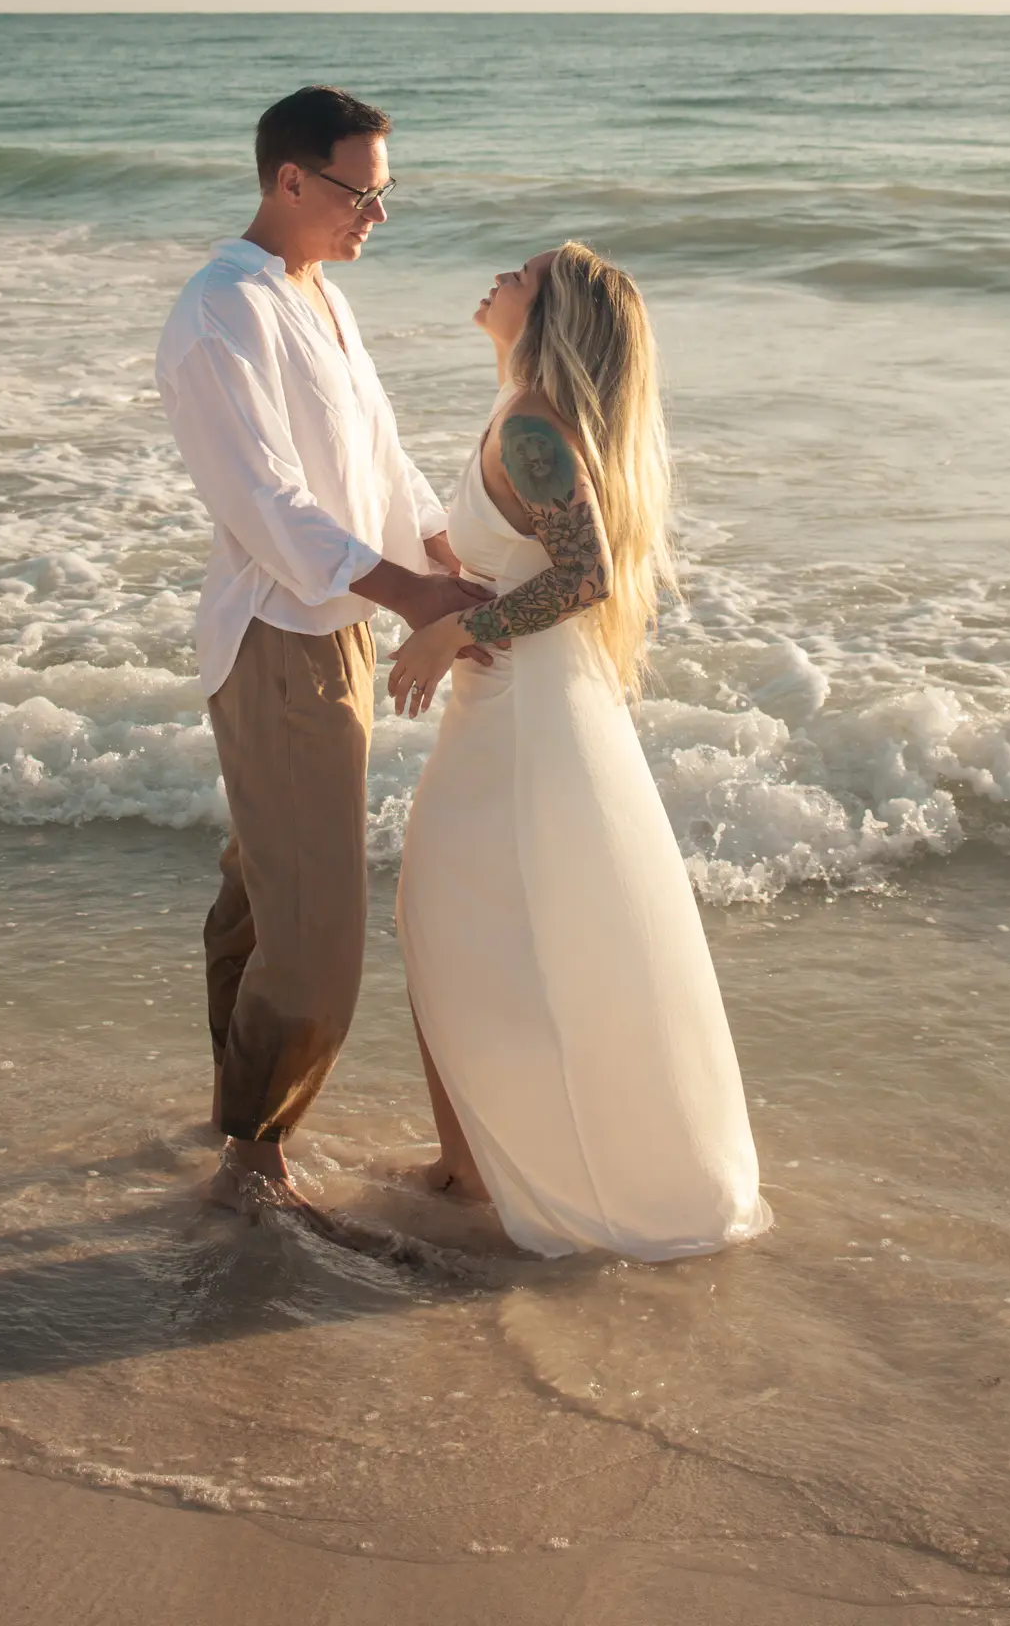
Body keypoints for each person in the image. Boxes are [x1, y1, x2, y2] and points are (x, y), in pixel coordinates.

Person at [389, 243, 771, 1260]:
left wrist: (446, 634)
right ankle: (468, 1160)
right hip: (517, 708)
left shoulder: (532, 428)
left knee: (457, 918)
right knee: (464, 920)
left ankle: (485, 1167)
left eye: (518, 272)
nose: (495, 278)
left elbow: (586, 574)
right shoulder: (521, 416)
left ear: (550, 309)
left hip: (525, 719)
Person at [156, 85, 481, 1210]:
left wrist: (445, 564)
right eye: (361, 193)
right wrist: (416, 600)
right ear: (289, 180)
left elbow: (380, 457)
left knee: (263, 894)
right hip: (279, 635)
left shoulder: (319, 296)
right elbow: (269, 504)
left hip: (337, 621)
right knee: (319, 941)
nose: (376, 217)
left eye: (386, 197)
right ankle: (252, 1156)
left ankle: (229, 1115)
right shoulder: (220, 312)